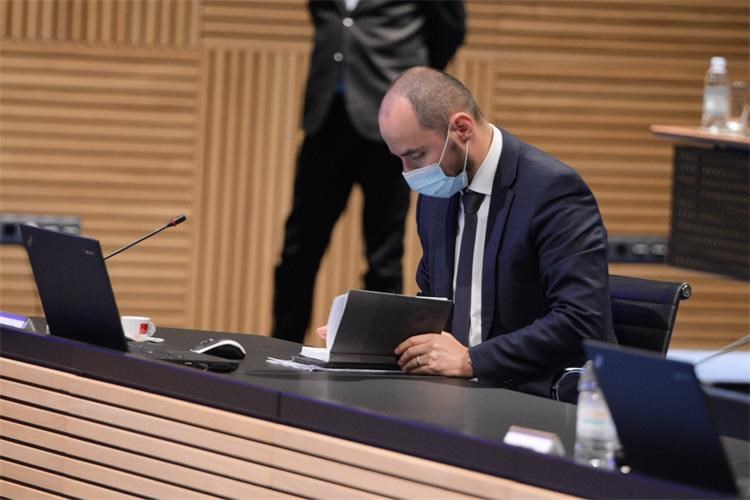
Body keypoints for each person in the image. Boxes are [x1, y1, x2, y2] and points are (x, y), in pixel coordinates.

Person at [377, 67, 617, 396]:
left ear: (461, 128)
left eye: (416, 155)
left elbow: (582, 320)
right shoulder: (437, 196)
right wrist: (365, 333)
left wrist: (472, 361)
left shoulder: (553, 191)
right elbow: (435, 302)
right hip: (454, 391)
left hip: (538, 393)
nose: (409, 173)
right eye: (401, 159)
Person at [273, 1, 466, 344]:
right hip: (327, 117)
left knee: (384, 255)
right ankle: (281, 346)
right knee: (298, 249)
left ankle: (376, 351)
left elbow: (449, 30)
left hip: (389, 123)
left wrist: (411, 89)